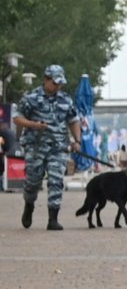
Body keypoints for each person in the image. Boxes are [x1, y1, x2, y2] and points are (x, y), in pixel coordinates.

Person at [14, 65, 83, 231]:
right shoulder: (31, 98)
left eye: (60, 83)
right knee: (33, 181)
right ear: (46, 79)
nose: (58, 86)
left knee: (56, 180)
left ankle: (53, 218)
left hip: (58, 147)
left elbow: (74, 120)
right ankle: (29, 204)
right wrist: (34, 125)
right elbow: (17, 118)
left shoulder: (66, 99)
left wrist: (77, 141)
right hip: (35, 146)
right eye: (55, 82)